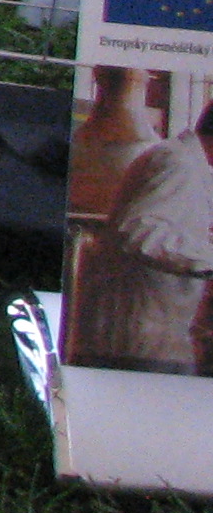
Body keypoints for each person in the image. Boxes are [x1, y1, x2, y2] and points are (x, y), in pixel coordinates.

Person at [72, 98, 213, 371]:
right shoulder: (177, 163)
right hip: (137, 342)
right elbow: (140, 232)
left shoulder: (184, 163)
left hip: (147, 339)